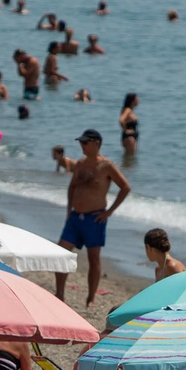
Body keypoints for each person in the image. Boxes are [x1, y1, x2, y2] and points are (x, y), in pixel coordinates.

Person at [54, 129, 130, 306]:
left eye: (85, 142)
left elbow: (125, 187)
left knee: (93, 258)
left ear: (96, 143)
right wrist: (69, 210)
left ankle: (90, 298)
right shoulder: (80, 164)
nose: (82, 146)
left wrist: (109, 212)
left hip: (94, 219)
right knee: (61, 253)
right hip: (75, 218)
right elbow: (72, 187)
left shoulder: (106, 166)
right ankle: (59, 294)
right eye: (81, 142)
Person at [118, 93, 139, 158]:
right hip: (129, 138)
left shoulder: (130, 110)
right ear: (132, 101)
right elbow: (121, 120)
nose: (138, 100)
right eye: (137, 99)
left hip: (131, 137)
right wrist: (126, 130)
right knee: (129, 157)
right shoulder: (128, 110)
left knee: (130, 158)